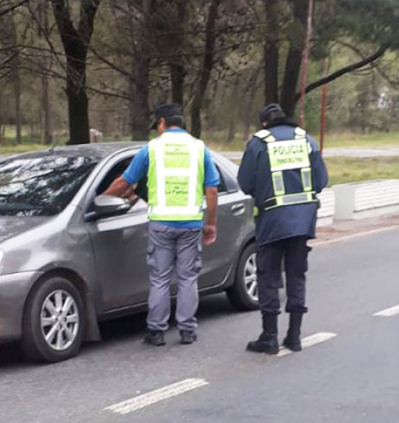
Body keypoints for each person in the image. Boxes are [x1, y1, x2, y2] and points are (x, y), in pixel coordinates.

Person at [104, 104, 219, 345]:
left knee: (160, 278)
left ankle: (156, 331)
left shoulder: (152, 148)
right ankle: (187, 330)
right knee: (188, 278)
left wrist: (103, 196)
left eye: (157, 125)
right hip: (190, 224)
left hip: (162, 225)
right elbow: (211, 190)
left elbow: (126, 181)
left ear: (162, 123)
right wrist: (210, 224)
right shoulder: (199, 148)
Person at [238, 103, 328, 355]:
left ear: (265, 123)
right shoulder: (306, 140)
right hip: (303, 221)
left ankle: (269, 336)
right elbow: (321, 181)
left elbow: (245, 183)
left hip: (272, 220)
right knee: (297, 274)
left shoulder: (258, 142)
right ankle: (295, 336)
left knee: (267, 275)